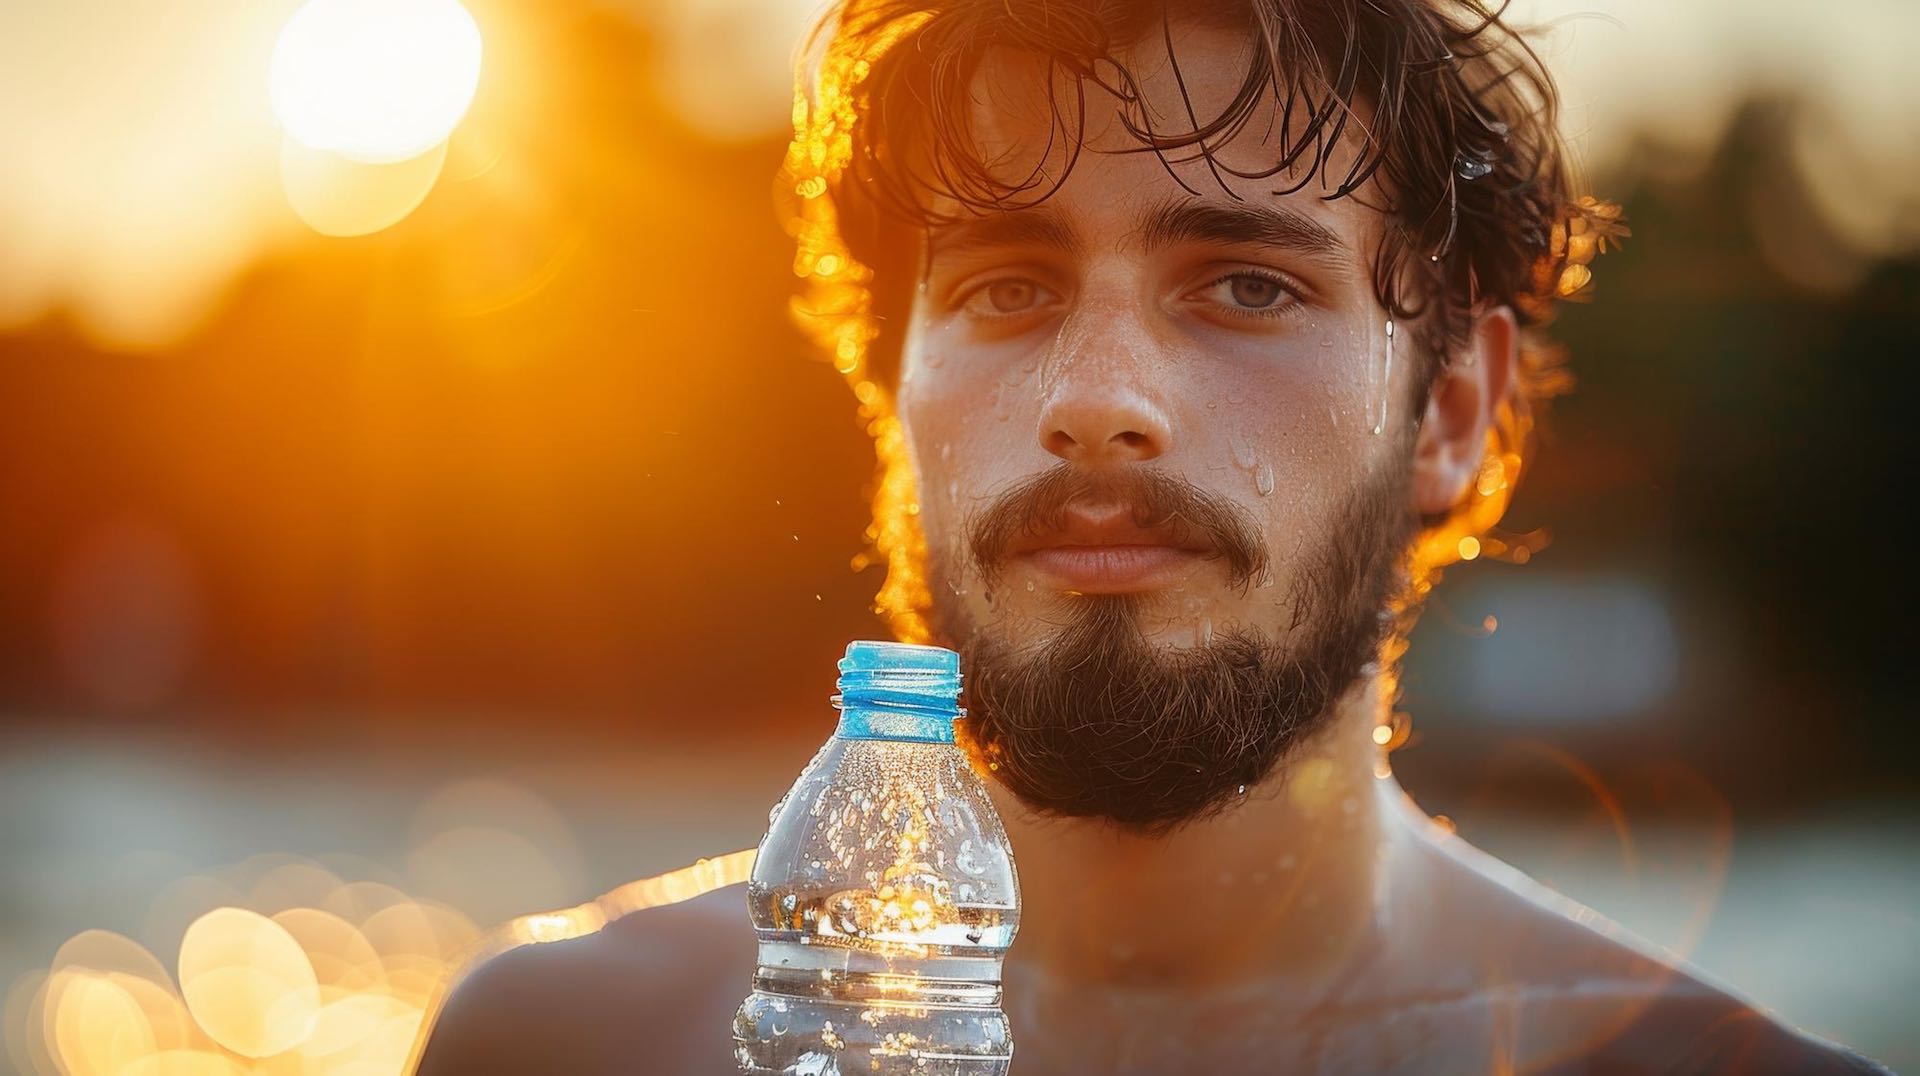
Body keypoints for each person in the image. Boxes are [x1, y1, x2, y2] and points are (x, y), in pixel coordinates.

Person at [415, 0, 1893, 1071]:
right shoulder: (565, 1045)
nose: (1098, 404)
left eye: (1247, 285)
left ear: (1449, 412)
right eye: (1005, 285)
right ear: (892, 392)